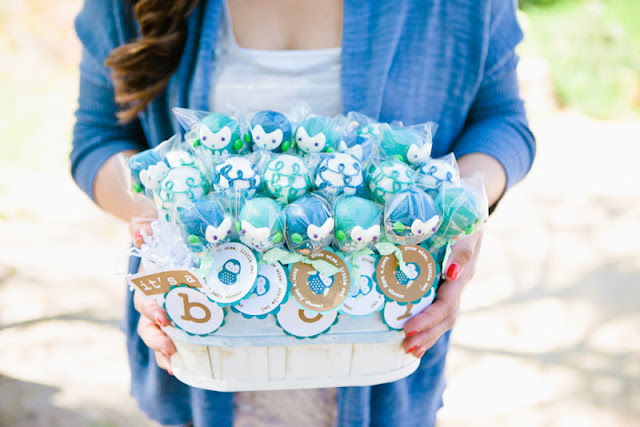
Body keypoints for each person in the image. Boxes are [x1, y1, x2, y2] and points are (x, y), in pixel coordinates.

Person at [71, 0, 536, 425]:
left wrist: (458, 211)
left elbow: (502, 120)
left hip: (381, 344)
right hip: (206, 345)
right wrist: (173, 228)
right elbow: (97, 139)